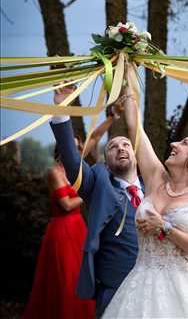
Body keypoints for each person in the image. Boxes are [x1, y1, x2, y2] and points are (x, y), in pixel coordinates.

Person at [101, 82, 188, 318]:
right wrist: (128, 60)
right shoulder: (155, 178)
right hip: (140, 284)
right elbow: (134, 126)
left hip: (187, 290)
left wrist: (165, 227)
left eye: (184, 143)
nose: (173, 144)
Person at [50, 84, 145, 319]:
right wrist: (62, 107)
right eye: (113, 146)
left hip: (156, 286)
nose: (121, 148)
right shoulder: (99, 181)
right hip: (115, 288)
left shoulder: (155, 186)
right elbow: (72, 162)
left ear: (136, 154)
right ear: (106, 160)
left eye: (126, 145)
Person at [22, 136, 95, 319]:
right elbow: (67, 204)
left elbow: (94, 138)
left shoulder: (76, 169)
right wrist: (89, 192)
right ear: (61, 149)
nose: (76, 150)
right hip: (62, 230)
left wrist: (111, 119)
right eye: (72, 147)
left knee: (80, 275)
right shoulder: (54, 172)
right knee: (65, 278)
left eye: (78, 148)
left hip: (78, 227)